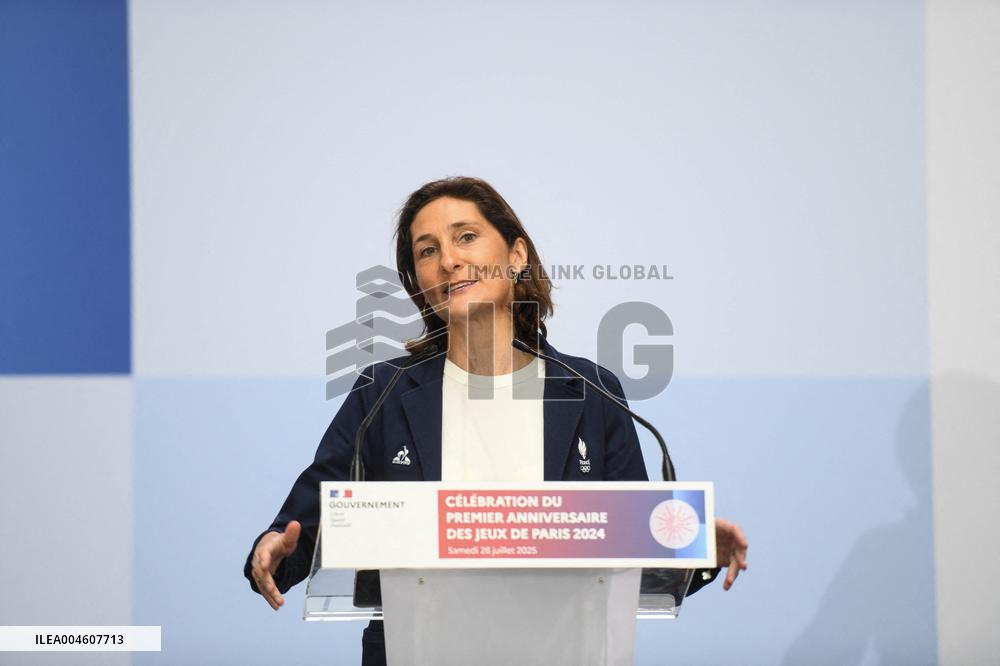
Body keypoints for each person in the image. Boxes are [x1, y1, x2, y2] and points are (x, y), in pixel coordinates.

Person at [245, 176, 749, 665]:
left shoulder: (592, 391)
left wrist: (698, 548)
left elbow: (637, 543)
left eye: (466, 236)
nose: (448, 260)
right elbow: (304, 526)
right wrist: (273, 550)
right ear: (418, 283)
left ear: (516, 255)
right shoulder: (384, 394)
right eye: (426, 251)